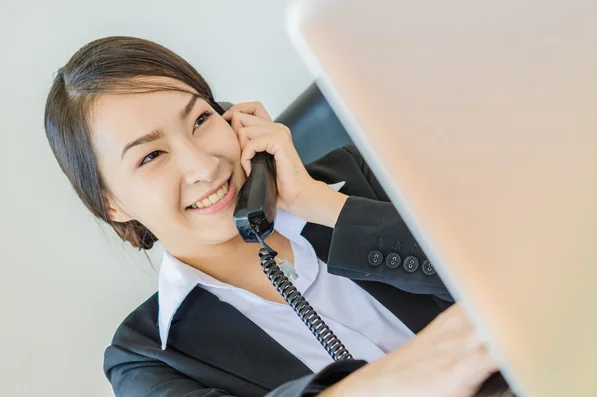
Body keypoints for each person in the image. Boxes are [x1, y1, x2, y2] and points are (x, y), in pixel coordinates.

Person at [44, 36, 503, 396]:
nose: (204, 166)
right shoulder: (146, 358)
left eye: (201, 120)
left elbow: (515, 267)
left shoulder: (354, 176)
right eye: (151, 156)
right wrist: (403, 378)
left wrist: (321, 205)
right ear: (111, 204)